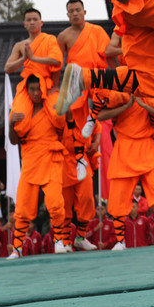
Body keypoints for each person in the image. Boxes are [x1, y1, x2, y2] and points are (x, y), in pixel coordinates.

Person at [96, 92, 154, 250]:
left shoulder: (150, 92)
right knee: (118, 198)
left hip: (147, 147)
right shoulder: (120, 93)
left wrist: (144, 106)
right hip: (124, 148)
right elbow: (100, 115)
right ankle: (120, 240)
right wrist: (126, 106)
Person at [6, 75, 69, 259]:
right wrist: (10, 124)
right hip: (30, 161)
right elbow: (13, 140)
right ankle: (17, 248)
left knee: (56, 203)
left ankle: (59, 240)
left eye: (38, 89)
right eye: (31, 89)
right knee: (23, 207)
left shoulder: (52, 108)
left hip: (51, 157)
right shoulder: (21, 110)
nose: (35, 93)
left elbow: (65, 124)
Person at [56, 0, 112, 138]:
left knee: (111, 105)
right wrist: (55, 86)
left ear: (84, 12)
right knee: (76, 119)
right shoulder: (63, 37)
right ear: (68, 15)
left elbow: (109, 56)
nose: (75, 13)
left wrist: (119, 75)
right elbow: (57, 63)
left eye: (78, 10)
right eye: (71, 11)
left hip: (97, 78)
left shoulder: (97, 31)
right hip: (77, 81)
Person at [4, 8, 63, 127]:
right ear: (24, 24)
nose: (32, 22)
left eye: (35, 19)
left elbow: (57, 60)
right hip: (28, 86)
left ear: (41, 23)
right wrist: (23, 59)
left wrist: (33, 58)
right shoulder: (20, 45)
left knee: (58, 116)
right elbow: (7, 68)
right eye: (28, 20)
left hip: (46, 85)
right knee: (19, 119)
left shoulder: (50, 39)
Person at [60, 107, 99, 252]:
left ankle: (81, 237)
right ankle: (65, 241)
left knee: (87, 198)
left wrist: (96, 143)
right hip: (64, 161)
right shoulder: (58, 111)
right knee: (65, 204)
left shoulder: (85, 111)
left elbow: (98, 127)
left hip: (82, 159)